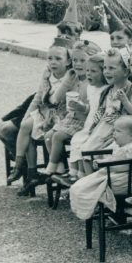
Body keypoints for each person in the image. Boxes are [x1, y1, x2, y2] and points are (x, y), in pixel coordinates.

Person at [7, 38, 74, 189]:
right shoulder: (47, 76)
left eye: (58, 59)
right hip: (45, 113)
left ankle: (50, 170)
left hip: (62, 115)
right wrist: (27, 116)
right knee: (25, 126)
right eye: (50, 58)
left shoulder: (70, 77)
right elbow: (38, 98)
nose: (53, 62)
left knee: (36, 131)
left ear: (68, 61)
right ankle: (21, 168)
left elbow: (62, 101)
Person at [70, 115, 132, 221]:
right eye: (114, 130)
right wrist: (100, 158)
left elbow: (124, 165)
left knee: (87, 187)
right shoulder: (119, 145)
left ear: (131, 136)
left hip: (128, 180)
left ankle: (117, 208)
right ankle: (115, 210)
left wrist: (104, 163)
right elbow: (108, 152)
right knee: (81, 186)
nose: (114, 133)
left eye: (118, 131)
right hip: (116, 174)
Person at [41, 40, 100, 177]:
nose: (78, 64)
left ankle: (51, 167)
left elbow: (94, 107)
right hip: (70, 119)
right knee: (49, 135)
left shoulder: (91, 81)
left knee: (58, 136)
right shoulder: (74, 78)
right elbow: (55, 99)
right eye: (75, 60)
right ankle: (60, 167)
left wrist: (80, 107)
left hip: (83, 122)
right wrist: (67, 80)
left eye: (82, 60)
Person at [56, 53, 108, 186]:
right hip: (89, 123)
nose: (89, 74)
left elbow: (102, 111)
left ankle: (81, 176)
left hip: (98, 125)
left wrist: (93, 127)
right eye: (88, 71)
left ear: (104, 73)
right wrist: (81, 107)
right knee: (76, 139)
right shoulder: (91, 88)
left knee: (83, 144)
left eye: (94, 71)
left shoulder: (105, 90)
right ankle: (74, 173)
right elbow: (90, 108)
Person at [80, 48, 132, 175]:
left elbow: (128, 115)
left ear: (126, 72)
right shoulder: (107, 91)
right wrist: (93, 127)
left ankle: (98, 183)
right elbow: (101, 110)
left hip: (116, 131)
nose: (106, 72)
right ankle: (89, 182)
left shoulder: (129, 90)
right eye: (105, 68)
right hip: (102, 128)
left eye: (112, 68)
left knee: (100, 157)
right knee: (87, 152)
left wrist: (114, 135)